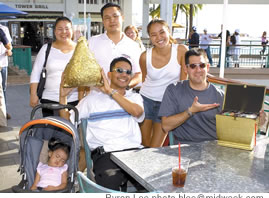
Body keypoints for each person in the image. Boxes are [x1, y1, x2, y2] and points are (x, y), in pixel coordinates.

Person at [59, 57, 145, 191]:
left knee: (156, 181)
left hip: (134, 151)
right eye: (119, 70)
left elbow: (137, 112)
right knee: (110, 185)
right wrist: (62, 97)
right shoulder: (92, 100)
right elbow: (67, 124)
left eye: (128, 72)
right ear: (109, 74)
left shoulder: (134, 97)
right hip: (106, 154)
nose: (124, 74)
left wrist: (111, 92)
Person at [139, 19, 188, 147]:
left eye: (162, 32)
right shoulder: (144, 56)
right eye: (153, 34)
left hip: (167, 104)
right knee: (144, 144)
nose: (159, 37)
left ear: (169, 32)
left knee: (156, 147)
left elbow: (183, 82)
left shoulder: (181, 50)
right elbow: (144, 79)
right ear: (149, 37)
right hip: (146, 101)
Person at [159, 48, 224, 144]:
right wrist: (190, 111)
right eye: (193, 66)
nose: (198, 70)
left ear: (208, 67)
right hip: (182, 149)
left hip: (212, 148)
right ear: (186, 69)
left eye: (202, 65)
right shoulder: (173, 90)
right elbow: (165, 126)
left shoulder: (220, 95)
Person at [30, 17, 79, 117]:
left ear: (72, 31)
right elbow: (35, 72)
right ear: (55, 31)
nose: (64, 32)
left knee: (71, 131)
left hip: (74, 100)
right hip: (49, 99)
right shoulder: (46, 48)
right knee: (51, 131)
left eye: (67, 28)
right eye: (60, 29)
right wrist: (33, 94)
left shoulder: (80, 49)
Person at [88, 3, 142, 89]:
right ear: (103, 21)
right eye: (107, 18)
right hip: (97, 97)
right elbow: (85, 72)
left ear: (122, 18)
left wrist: (125, 86)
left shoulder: (133, 46)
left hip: (124, 98)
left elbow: (138, 74)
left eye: (115, 16)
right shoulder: (92, 42)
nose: (112, 20)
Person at [0, 27, 12, 126]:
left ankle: (3, 112)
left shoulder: (3, 29)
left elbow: (9, 45)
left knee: (2, 89)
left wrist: (9, 50)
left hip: (3, 64)